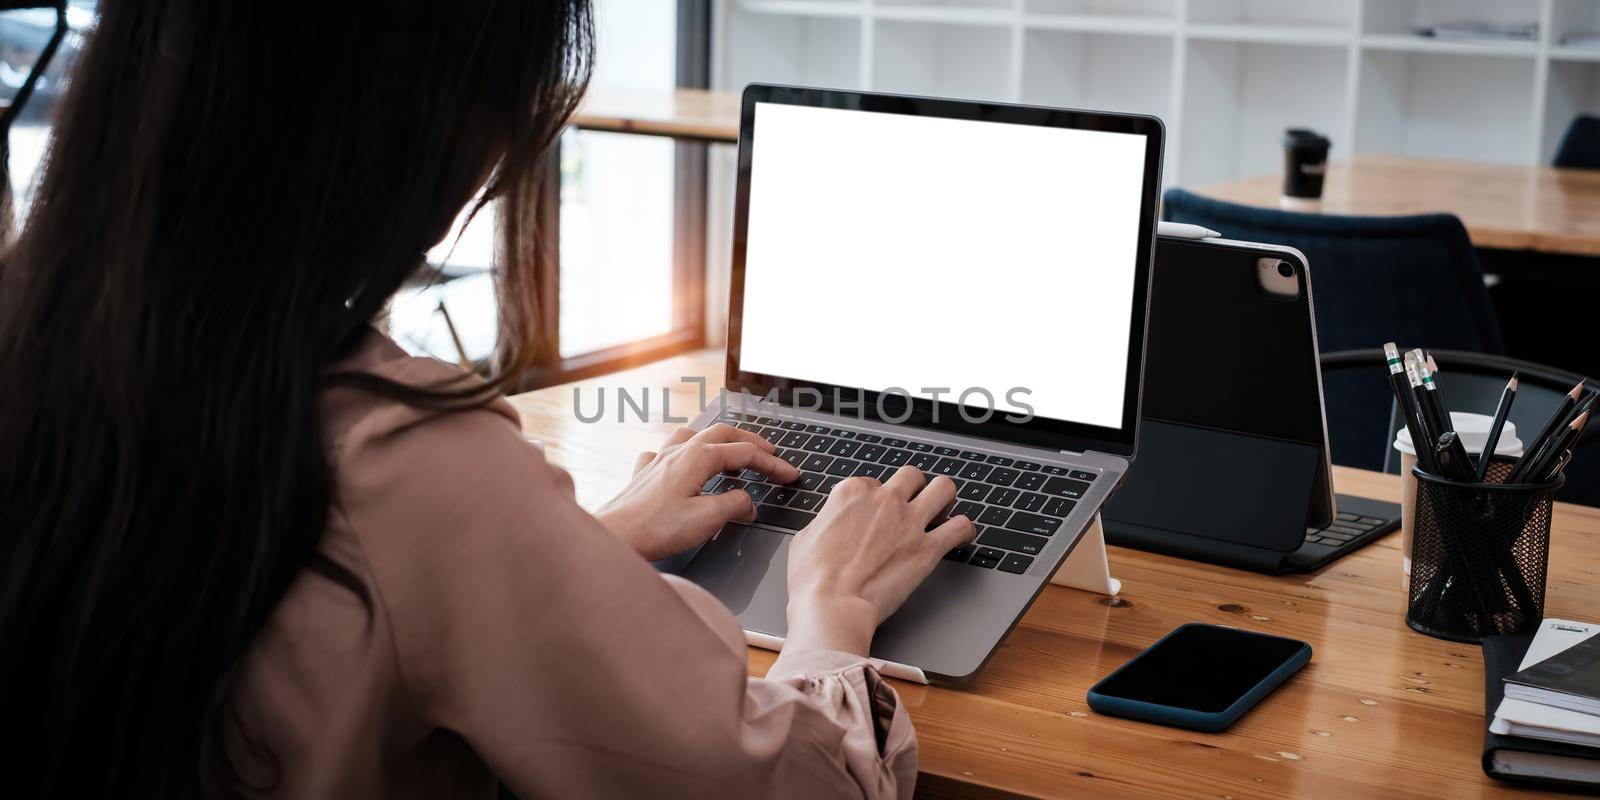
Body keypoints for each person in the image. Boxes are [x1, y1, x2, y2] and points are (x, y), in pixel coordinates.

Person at [0, 2, 976, 797]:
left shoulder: (44, 335)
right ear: (426, 127)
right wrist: (832, 610)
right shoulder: (413, 463)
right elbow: (794, 785)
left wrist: (572, 547)